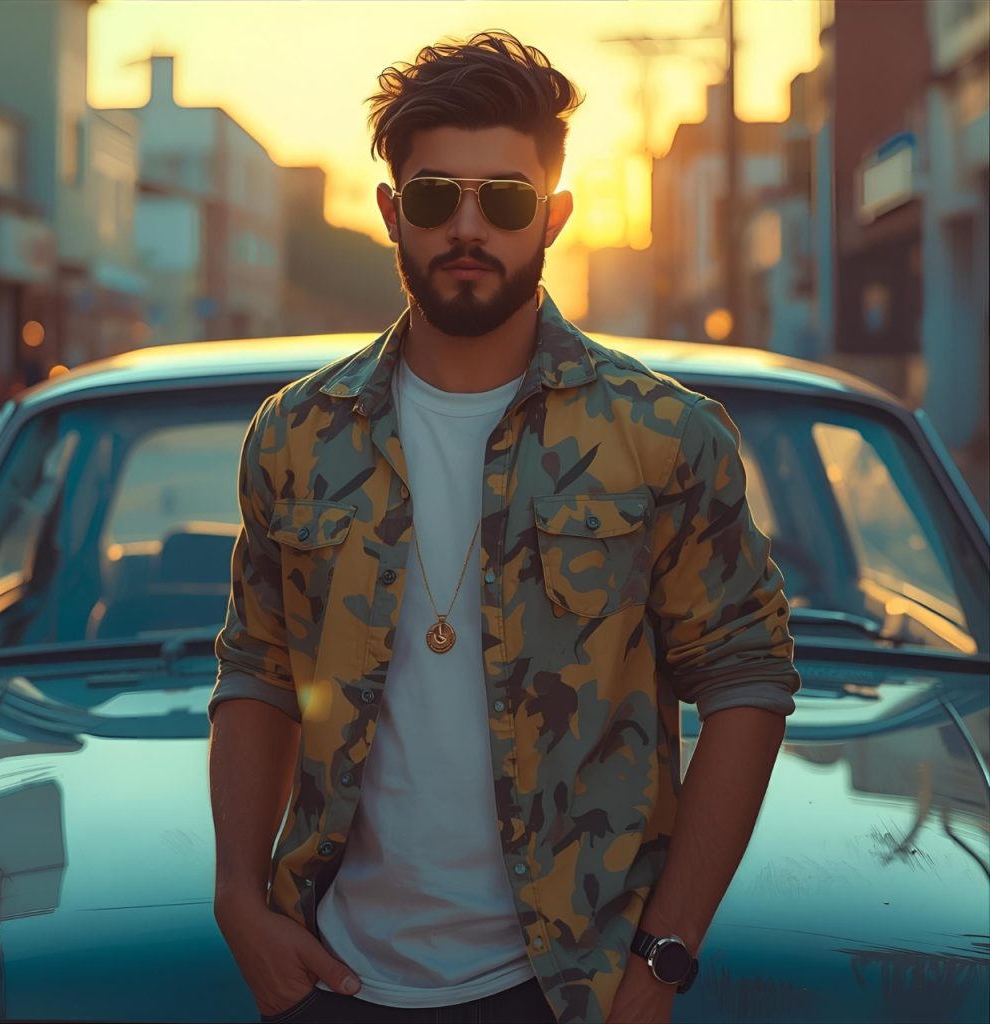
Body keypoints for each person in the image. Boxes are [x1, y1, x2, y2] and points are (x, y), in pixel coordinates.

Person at [208, 30, 800, 1024]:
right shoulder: (299, 436)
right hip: (336, 974)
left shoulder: (662, 434)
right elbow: (259, 670)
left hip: (574, 986)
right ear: (393, 211)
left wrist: (662, 959)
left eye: (506, 199)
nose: (468, 227)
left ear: (555, 215)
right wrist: (236, 901)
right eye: (437, 197)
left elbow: (746, 678)